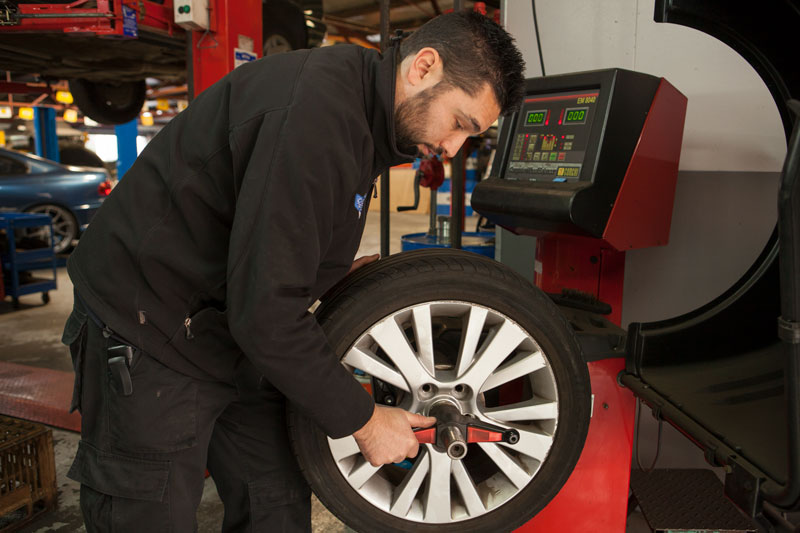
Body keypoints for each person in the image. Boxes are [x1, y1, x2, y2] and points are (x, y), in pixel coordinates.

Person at [61, 9, 525, 532]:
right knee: (150, 515)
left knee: (275, 501)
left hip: (229, 328)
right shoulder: (318, 117)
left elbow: (273, 244)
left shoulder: (363, 113)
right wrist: (365, 420)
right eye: (460, 123)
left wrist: (325, 275)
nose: (452, 148)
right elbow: (266, 313)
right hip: (149, 324)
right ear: (424, 67)